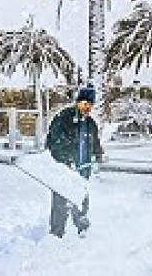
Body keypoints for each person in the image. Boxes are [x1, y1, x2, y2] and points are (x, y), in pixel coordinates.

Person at [45, 84, 103, 238]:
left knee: (81, 201)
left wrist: (98, 157)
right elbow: (53, 142)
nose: (87, 107)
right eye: (84, 103)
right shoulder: (64, 118)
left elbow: (95, 144)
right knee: (60, 203)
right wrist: (66, 160)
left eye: (90, 104)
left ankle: (82, 232)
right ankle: (56, 234)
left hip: (82, 171)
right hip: (64, 171)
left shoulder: (90, 124)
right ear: (77, 102)